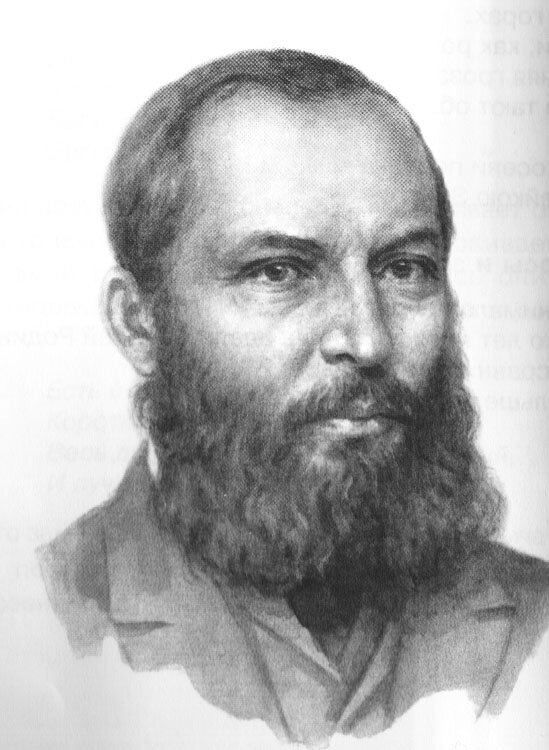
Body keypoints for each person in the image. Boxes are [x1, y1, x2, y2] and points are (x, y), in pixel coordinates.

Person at [37, 49, 549, 745]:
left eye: (404, 268)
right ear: (139, 324)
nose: (366, 340)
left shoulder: (535, 622)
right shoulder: (45, 623)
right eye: (278, 272)